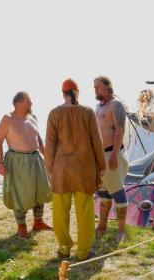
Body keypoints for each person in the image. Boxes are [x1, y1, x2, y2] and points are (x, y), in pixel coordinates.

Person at [45, 79, 106, 260]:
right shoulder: (87, 112)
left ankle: (64, 249)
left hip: (61, 170)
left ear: (63, 94)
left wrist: (51, 169)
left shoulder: (54, 113)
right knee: (85, 212)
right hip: (84, 170)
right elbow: (97, 141)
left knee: (60, 212)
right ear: (77, 92)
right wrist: (101, 167)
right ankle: (83, 252)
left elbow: (49, 146)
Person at [0, 91, 53, 238]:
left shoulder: (32, 117)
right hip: (17, 161)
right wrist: (0, 163)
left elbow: (38, 139)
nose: (31, 104)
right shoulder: (7, 119)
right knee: (20, 193)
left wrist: (47, 156)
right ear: (18, 103)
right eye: (28, 101)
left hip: (36, 159)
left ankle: (38, 222)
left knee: (40, 190)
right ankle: (21, 226)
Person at [94, 76, 130, 243]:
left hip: (112, 154)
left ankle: (122, 231)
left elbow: (120, 130)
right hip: (101, 156)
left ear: (108, 87)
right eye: (94, 87)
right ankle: (102, 225)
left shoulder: (116, 104)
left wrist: (114, 156)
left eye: (98, 87)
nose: (95, 90)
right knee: (103, 192)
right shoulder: (99, 106)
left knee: (117, 192)